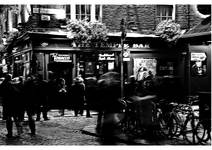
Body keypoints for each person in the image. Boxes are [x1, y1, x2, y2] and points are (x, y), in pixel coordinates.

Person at [1, 74, 23, 138]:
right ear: (10, 78)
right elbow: (18, 92)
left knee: (8, 118)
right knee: (16, 118)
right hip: (13, 103)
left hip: (6, 103)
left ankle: (10, 133)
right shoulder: (13, 84)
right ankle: (19, 132)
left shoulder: (2, 85)